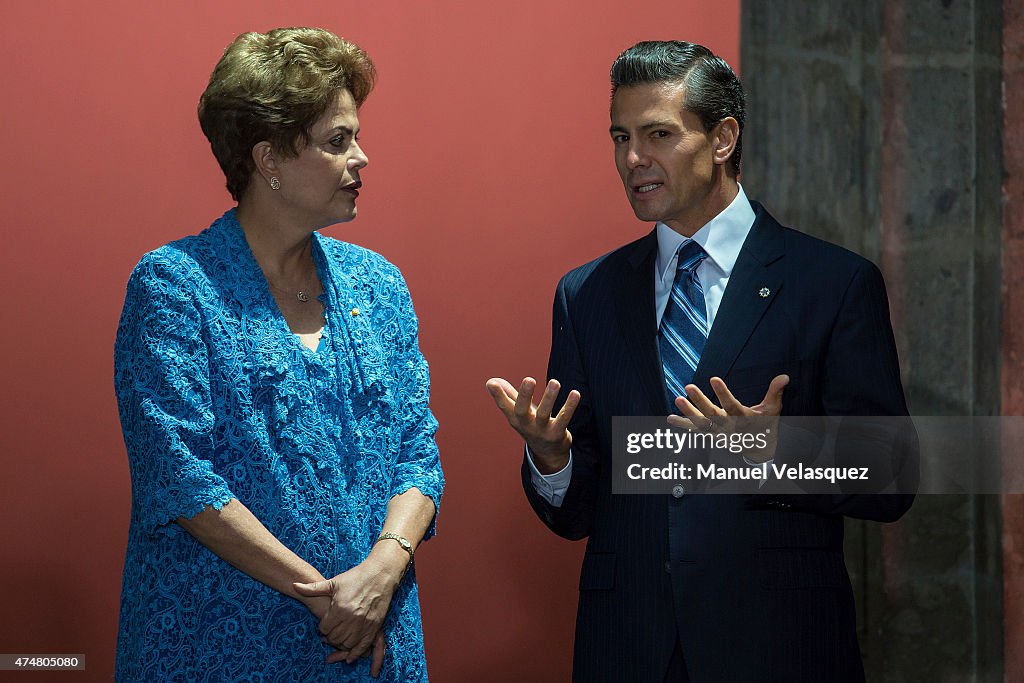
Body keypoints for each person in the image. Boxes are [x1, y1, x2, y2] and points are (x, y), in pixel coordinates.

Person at [486, 41, 914, 682]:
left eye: (658, 133)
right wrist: (553, 459)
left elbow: (891, 476)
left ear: (722, 139)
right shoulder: (587, 294)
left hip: (778, 647)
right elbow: (574, 514)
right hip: (628, 646)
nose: (633, 159)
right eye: (620, 136)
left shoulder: (833, 283)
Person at [114, 27, 443, 681]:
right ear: (269, 159)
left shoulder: (380, 285)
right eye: (337, 141)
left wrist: (382, 570)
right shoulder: (175, 285)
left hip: (375, 643)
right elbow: (182, 478)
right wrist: (328, 598)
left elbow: (418, 452)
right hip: (220, 645)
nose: (363, 159)